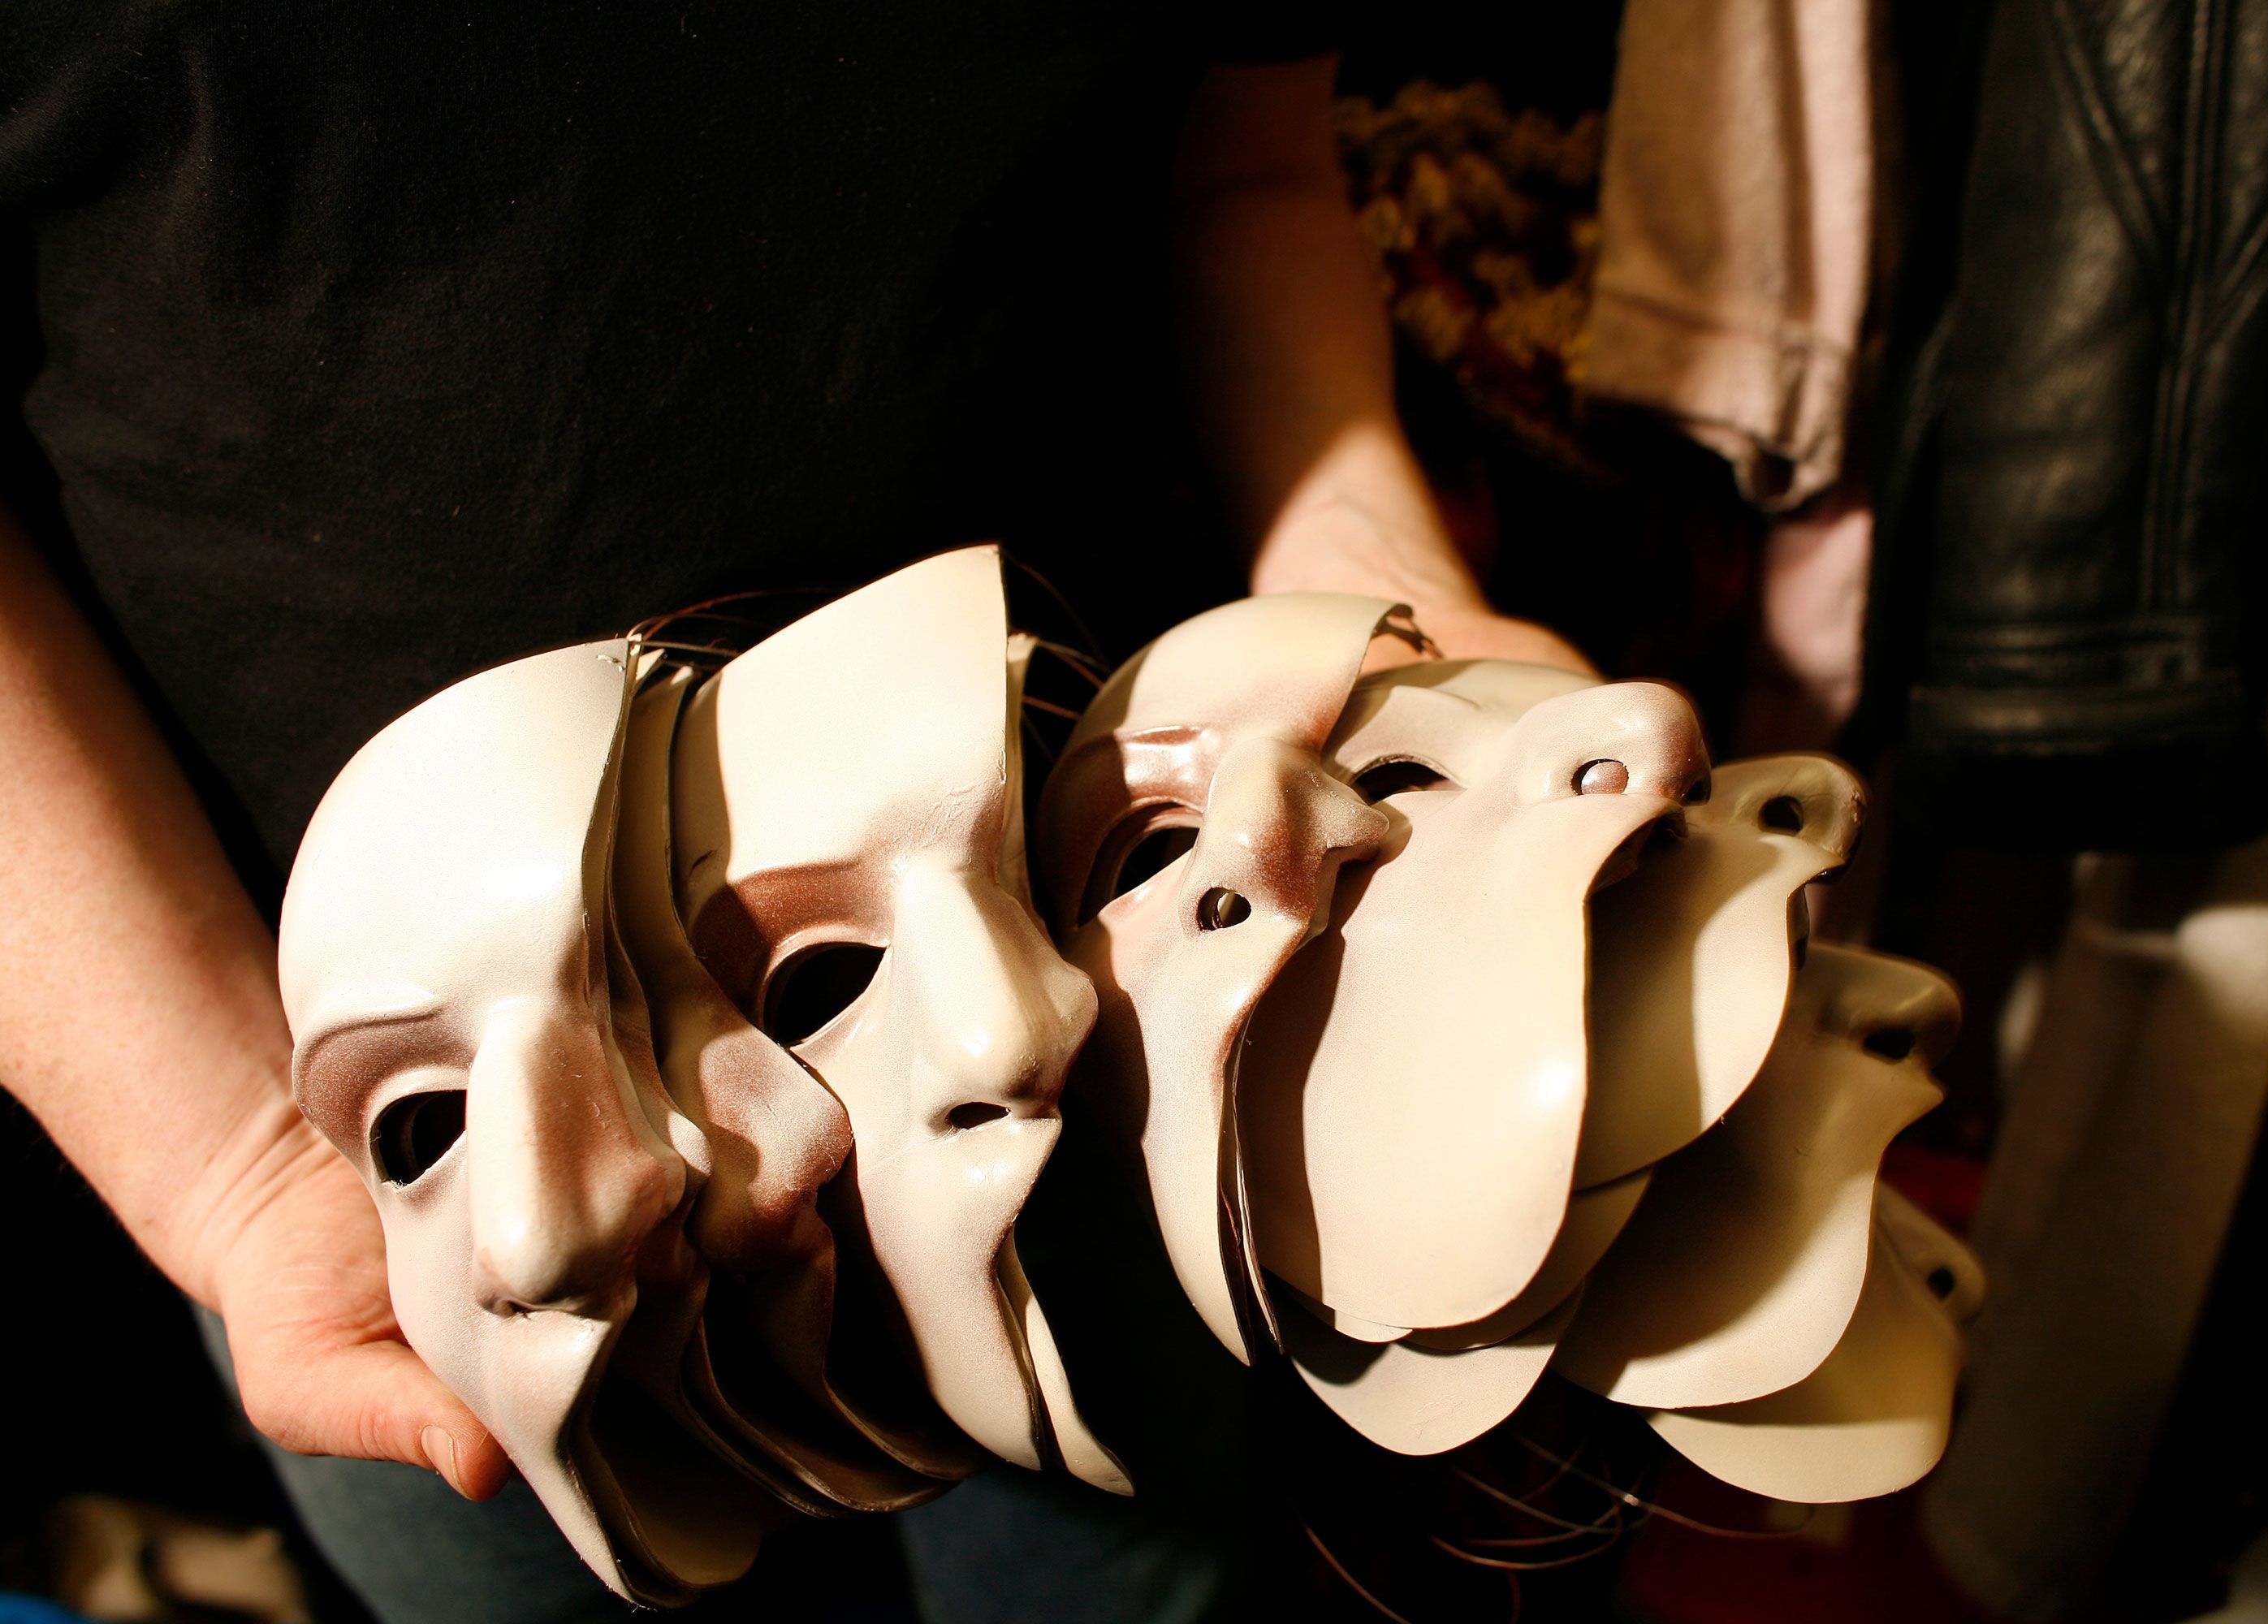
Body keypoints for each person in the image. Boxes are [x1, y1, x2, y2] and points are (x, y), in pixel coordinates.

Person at [0, 10, 1586, 1619]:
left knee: (1120, 1562)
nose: (987, 1046)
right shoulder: (423, 1186)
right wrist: (234, 1165)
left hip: (1133, 995)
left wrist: (1372, 576)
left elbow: (1238, 167)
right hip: (263, 1083)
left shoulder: (1068, 1024)